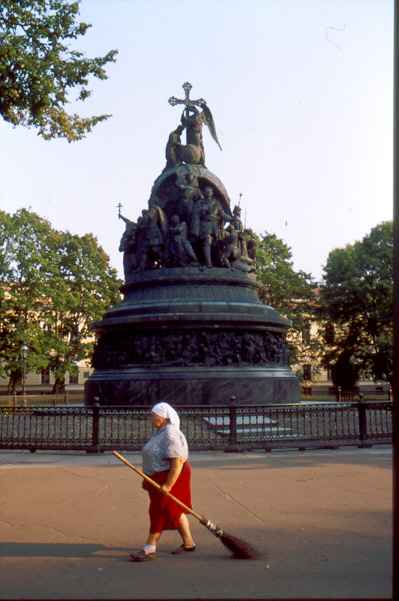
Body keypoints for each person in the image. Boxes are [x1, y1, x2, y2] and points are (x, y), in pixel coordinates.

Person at [129, 402, 196, 562]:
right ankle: (189, 542)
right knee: (173, 509)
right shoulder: (161, 432)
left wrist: (168, 485)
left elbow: (177, 461)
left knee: (158, 510)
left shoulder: (170, 433)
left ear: (164, 417)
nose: (151, 418)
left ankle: (149, 548)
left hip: (173, 476)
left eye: (154, 415)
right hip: (160, 476)